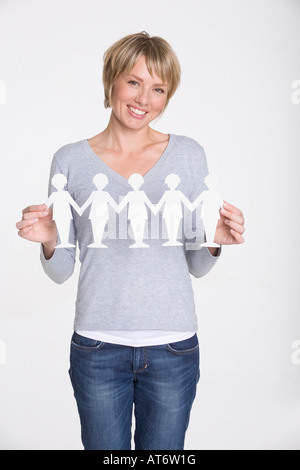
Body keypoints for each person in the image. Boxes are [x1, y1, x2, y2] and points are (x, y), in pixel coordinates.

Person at [16, 31, 245, 450]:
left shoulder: (190, 155)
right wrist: (49, 240)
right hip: (97, 348)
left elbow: (197, 263)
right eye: (134, 82)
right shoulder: (69, 160)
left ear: (167, 96)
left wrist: (214, 242)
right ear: (112, 80)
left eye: (158, 88)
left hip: (173, 348)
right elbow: (61, 271)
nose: (144, 99)